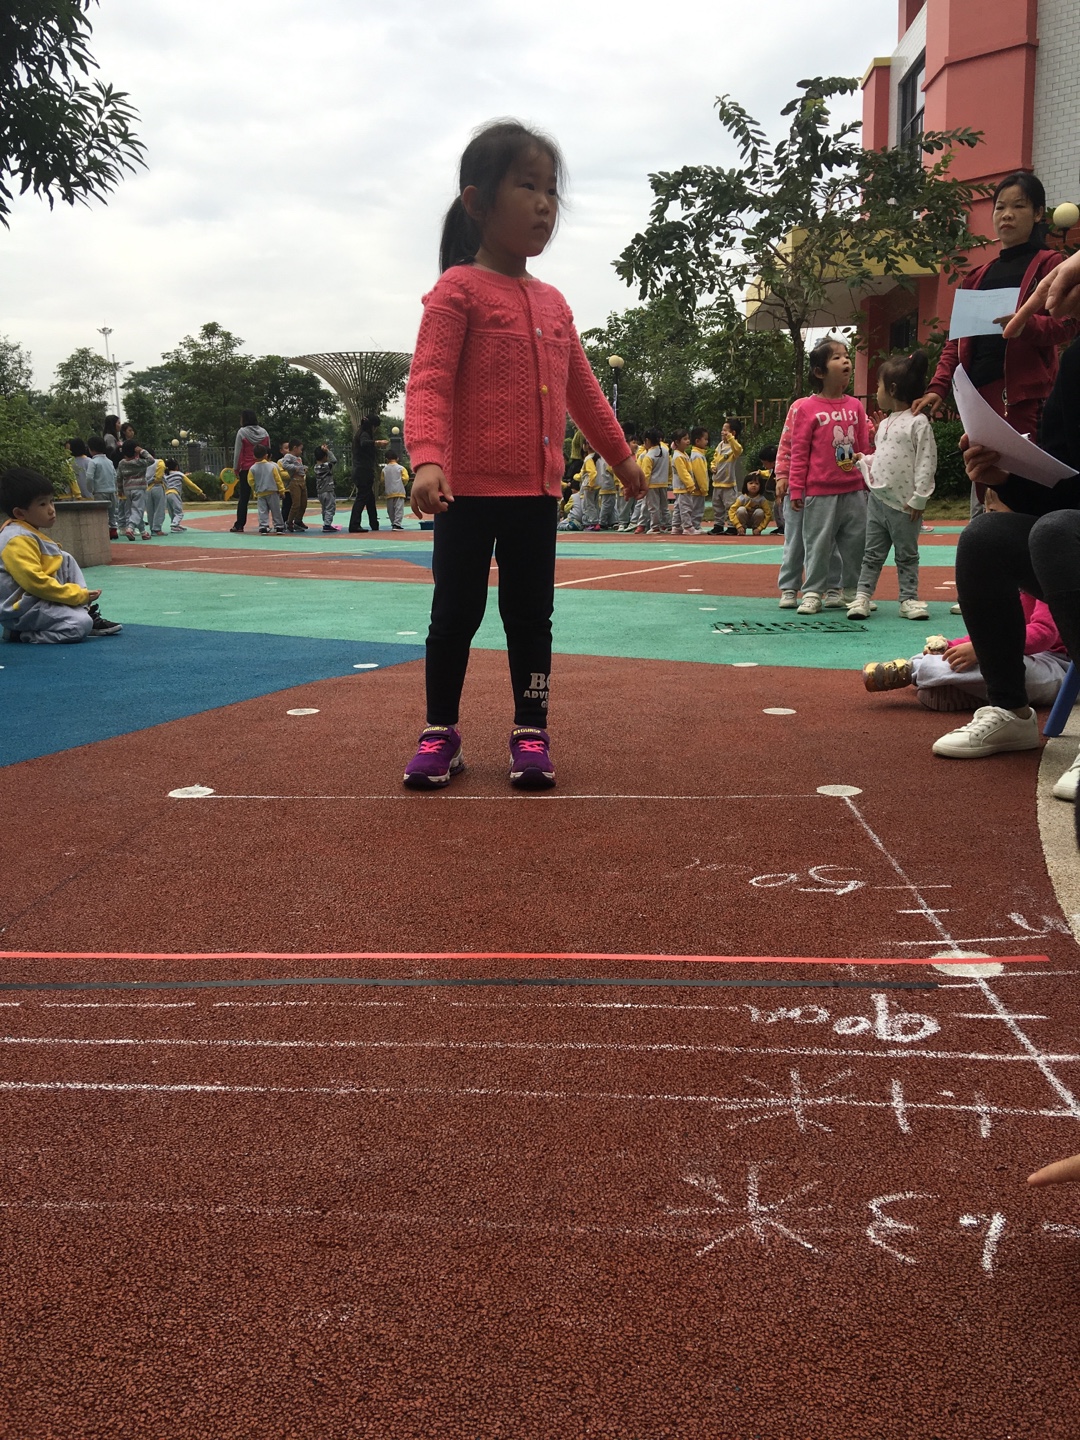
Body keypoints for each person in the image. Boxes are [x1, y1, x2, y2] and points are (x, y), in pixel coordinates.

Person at [401, 118, 645, 790]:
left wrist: (620, 456)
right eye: (528, 187)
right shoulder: (457, 291)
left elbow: (582, 390)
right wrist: (427, 457)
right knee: (455, 614)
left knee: (531, 617)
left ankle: (530, 731)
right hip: (465, 494)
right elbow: (428, 381)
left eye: (551, 190)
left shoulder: (554, 303)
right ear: (478, 202)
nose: (544, 204)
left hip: (536, 497)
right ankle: (440, 731)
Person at [929, 322, 1080, 789]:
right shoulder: (1075, 362)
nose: (1044, 294)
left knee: (1057, 532)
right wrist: (1005, 477)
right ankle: (1010, 709)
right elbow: (1062, 491)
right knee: (985, 537)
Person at [914, 172, 1078, 516]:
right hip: (979, 401)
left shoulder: (1051, 265)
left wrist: (1027, 326)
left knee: (1025, 493)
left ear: (1038, 213)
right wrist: (938, 387)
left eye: (1019, 206)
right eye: (1000, 207)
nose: (1007, 215)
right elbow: (956, 341)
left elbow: (1067, 325)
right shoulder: (976, 276)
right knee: (984, 478)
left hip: (1025, 400)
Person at [846, 351, 936, 621]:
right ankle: (862, 596)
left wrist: (920, 497)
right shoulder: (884, 423)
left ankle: (908, 599)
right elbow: (883, 456)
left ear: (893, 389)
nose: (876, 391)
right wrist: (864, 460)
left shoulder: (918, 422)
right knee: (871, 554)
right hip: (878, 500)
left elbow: (926, 461)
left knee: (907, 555)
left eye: (879, 386)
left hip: (905, 505)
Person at [863, 593, 1068, 712]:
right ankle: (941, 678)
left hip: (1061, 665)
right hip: (1024, 651)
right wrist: (950, 646)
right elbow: (999, 631)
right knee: (954, 657)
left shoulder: (1051, 570)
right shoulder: (1021, 581)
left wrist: (984, 649)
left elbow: (1044, 633)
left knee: (1007, 670)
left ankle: (918, 672)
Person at [787, 336, 871, 615]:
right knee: (818, 544)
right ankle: (813, 592)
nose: (846, 360)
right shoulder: (807, 408)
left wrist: (869, 481)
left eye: (847, 355)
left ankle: (853, 591)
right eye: (837, 357)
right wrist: (796, 488)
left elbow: (864, 448)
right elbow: (799, 452)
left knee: (856, 543)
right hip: (819, 492)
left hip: (854, 490)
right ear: (819, 372)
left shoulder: (856, 406)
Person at [0, 468, 122, 642]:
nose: (51, 509)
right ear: (20, 513)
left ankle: (83, 609)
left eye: (51, 501)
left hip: (35, 602)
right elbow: (36, 583)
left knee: (64, 558)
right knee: (80, 625)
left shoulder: (27, 533)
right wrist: (76, 596)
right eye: (42, 504)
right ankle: (20, 633)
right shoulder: (16, 540)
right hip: (21, 611)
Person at [230, 409, 271, 533]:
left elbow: (238, 452)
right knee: (266, 496)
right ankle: (269, 523)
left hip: (247, 469)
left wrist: (236, 468)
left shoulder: (242, 432)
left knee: (244, 498)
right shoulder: (264, 432)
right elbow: (268, 449)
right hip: (263, 467)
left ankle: (239, 525)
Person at [116, 439, 156, 540]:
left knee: (133, 511)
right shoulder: (140, 462)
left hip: (127, 489)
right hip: (139, 488)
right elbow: (152, 460)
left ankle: (143, 532)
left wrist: (120, 490)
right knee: (138, 510)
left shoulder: (121, 463)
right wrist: (142, 451)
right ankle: (130, 528)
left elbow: (119, 477)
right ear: (135, 451)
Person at [709, 419, 743, 535]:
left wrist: (730, 438)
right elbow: (715, 459)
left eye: (725, 430)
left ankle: (732, 526)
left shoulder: (734, 446)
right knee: (717, 505)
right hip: (717, 482)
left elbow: (739, 450)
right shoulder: (720, 445)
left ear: (733, 433)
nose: (722, 432)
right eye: (722, 430)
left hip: (728, 483)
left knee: (730, 506)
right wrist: (713, 466)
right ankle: (718, 525)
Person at [349, 416, 382, 532]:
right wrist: (376, 443)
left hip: (361, 470)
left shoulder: (359, 433)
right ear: (372, 426)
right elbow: (364, 443)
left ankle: (374, 523)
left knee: (369, 498)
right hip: (363, 471)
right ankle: (354, 524)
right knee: (362, 497)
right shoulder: (364, 434)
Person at [249, 443, 287, 534]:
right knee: (276, 510)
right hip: (273, 491)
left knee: (262, 511)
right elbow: (278, 479)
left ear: (254, 456)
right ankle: (279, 526)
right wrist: (282, 491)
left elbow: (251, 481)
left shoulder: (252, 468)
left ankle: (263, 526)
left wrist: (255, 490)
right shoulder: (272, 467)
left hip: (261, 493)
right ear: (266, 455)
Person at [638, 428, 670, 535]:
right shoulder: (665, 451)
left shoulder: (648, 455)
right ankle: (668, 525)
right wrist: (669, 479)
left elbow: (645, 474)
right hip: (663, 483)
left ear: (647, 440)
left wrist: (643, 486)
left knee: (653, 508)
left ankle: (655, 527)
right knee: (664, 506)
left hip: (652, 485)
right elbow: (669, 467)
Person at [85, 437, 119, 537]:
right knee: (112, 512)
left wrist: (90, 489)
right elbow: (115, 475)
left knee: (101, 512)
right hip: (111, 490)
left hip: (99, 491)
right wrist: (114, 488)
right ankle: (113, 530)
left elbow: (89, 477)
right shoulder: (109, 461)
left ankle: (103, 531)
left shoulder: (93, 462)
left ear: (91, 449)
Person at [669, 430, 698, 536]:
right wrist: (690, 485)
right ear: (677, 442)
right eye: (684, 439)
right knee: (686, 507)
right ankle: (687, 527)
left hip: (681, 487)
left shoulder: (683, 454)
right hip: (683, 487)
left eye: (688, 438)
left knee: (678, 507)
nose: (688, 441)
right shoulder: (678, 456)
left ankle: (676, 526)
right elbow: (683, 473)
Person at [729, 471, 772, 535]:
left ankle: (756, 530)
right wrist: (738, 525)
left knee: (760, 512)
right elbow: (731, 511)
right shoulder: (741, 498)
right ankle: (742, 530)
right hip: (742, 521)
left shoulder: (762, 500)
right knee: (741, 510)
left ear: (760, 486)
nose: (753, 485)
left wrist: (760, 528)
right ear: (746, 485)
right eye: (751, 483)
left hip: (756, 521)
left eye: (757, 483)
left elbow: (768, 514)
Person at [163, 464, 204, 533]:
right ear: (176, 466)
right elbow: (190, 484)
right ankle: (174, 525)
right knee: (179, 512)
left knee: (172, 512)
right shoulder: (179, 474)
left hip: (166, 494)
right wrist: (200, 492)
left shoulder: (165, 475)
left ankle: (176, 524)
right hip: (174, 493)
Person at [280, 441, 309, 532]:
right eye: (300, 449)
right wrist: (294, 468)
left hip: (302, 481)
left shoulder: (298, 458)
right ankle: (289, 521)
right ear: (295, 448)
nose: (301, 451)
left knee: (303, 503)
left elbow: (300, 467)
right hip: (295, 481)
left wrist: (303, 469)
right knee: (296, 504)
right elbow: (284, 464)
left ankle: (298, 520)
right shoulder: (288, 456)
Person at [313, 444, 339, 532]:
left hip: (320, 492)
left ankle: (325, 522)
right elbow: (334, 460)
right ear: (325, 456)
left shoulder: (316, 467)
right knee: (330, 507)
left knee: (324, 508)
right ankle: (327, 525)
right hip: (328, 490)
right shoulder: (326, 466)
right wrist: (327, 451)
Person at [689, 427, 710, 532]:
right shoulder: (697, 456)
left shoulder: (698, 454)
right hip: (698, 490)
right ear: (697, 441)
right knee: (697, 509)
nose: (707, 442)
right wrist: (704, 488)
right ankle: (695, 526)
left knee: (696, 509)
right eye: (705, 439)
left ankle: (694, 525)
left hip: (697, 489)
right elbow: (700, 474)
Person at [382, 453, 409, 529]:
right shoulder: (401, 468)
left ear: (387, 459)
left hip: (389, 492)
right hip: (399, 491)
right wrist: (402, 484)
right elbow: (405, 478)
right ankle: (397, 523)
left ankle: (393, 522)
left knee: (390, 509)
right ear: (397, 458)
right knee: (399, 508)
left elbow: (382, 480)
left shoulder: (384, 469)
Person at [145, 456, 167, 535]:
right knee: (159, 508)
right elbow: (160, 472)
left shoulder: (142, 463)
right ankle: (157, 529)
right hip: (157, 487)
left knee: (150, 510)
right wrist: (156, 478)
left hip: (147, 489)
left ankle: (152, 528)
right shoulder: (159, 462)